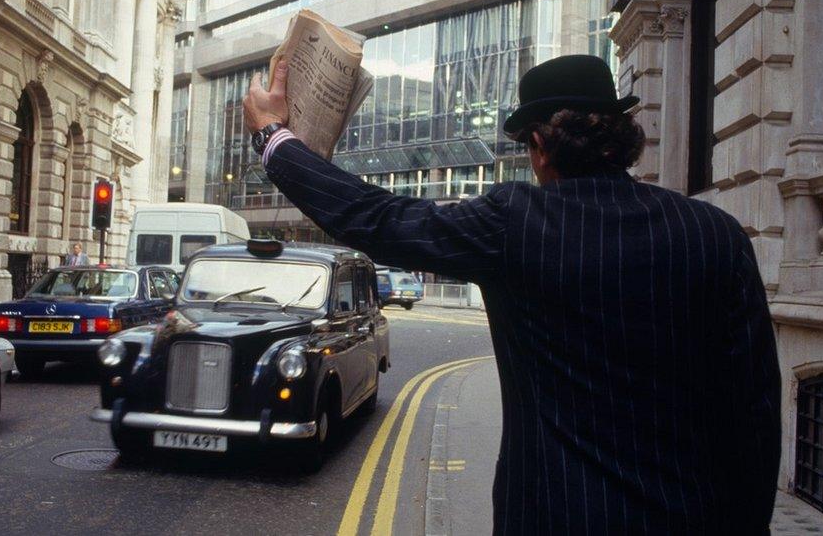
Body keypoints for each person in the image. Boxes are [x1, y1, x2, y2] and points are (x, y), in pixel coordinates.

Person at [244, 55, 781, 534]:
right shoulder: (717, 234)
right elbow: (755, 410)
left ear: (540, 147)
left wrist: (274, 137)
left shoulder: (515, 223)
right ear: (621, 139)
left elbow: (377, 217)